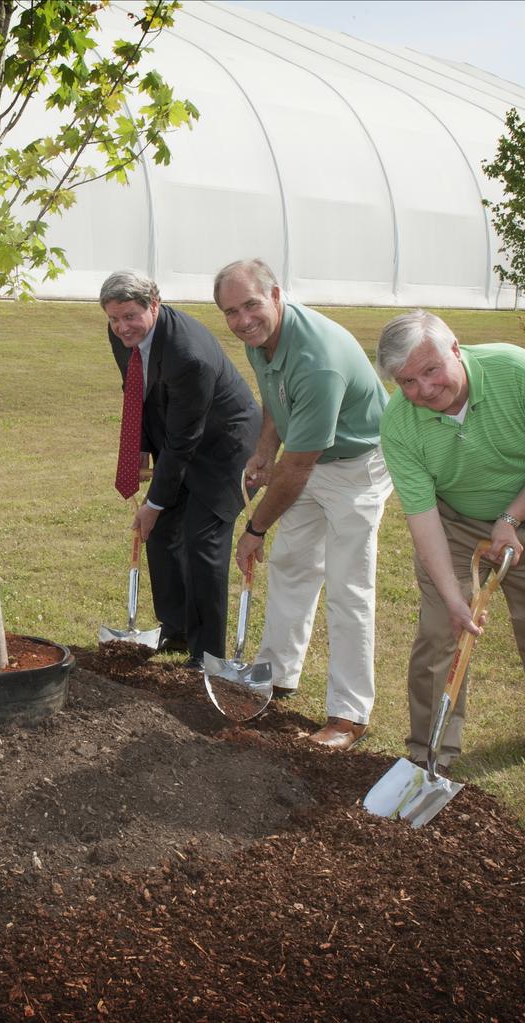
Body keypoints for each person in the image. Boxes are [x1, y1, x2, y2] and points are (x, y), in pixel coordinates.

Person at [376, 310, 525, 772]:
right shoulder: (400, 424)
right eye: (407, 382)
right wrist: (452, 595)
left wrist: (511, 518)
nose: (423, 390)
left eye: (431, 370)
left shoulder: (519, 372)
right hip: (455, 523)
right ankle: (429, 751)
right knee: (442, 630)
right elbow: (422, 519)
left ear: (455, 349)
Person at [214, 258, 392, 751]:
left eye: (251, 305)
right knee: (292, 564)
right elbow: (276, 397)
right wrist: (265, 448)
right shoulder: (261, 340)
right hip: (307, 459)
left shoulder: (318, 358)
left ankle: (349, 715)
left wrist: (254, 529)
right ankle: (275, 675)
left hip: (357, 466)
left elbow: (298, 471)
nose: (243, 319)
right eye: (231, 311)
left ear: (276, 295)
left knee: (348, 585)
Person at [101, 270, 260, 665]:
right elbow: (135, 386)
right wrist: (138, 447)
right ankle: (175, 629)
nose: (122, 327)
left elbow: (184, 441)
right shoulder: (124, 335)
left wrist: (154, 503)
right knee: (162, 536)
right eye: (114, 318)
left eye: (131, 316)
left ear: (155, 304)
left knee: (202, 543)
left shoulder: (189, 355)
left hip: (226, 448)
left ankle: (206, 654)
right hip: (180, 434)